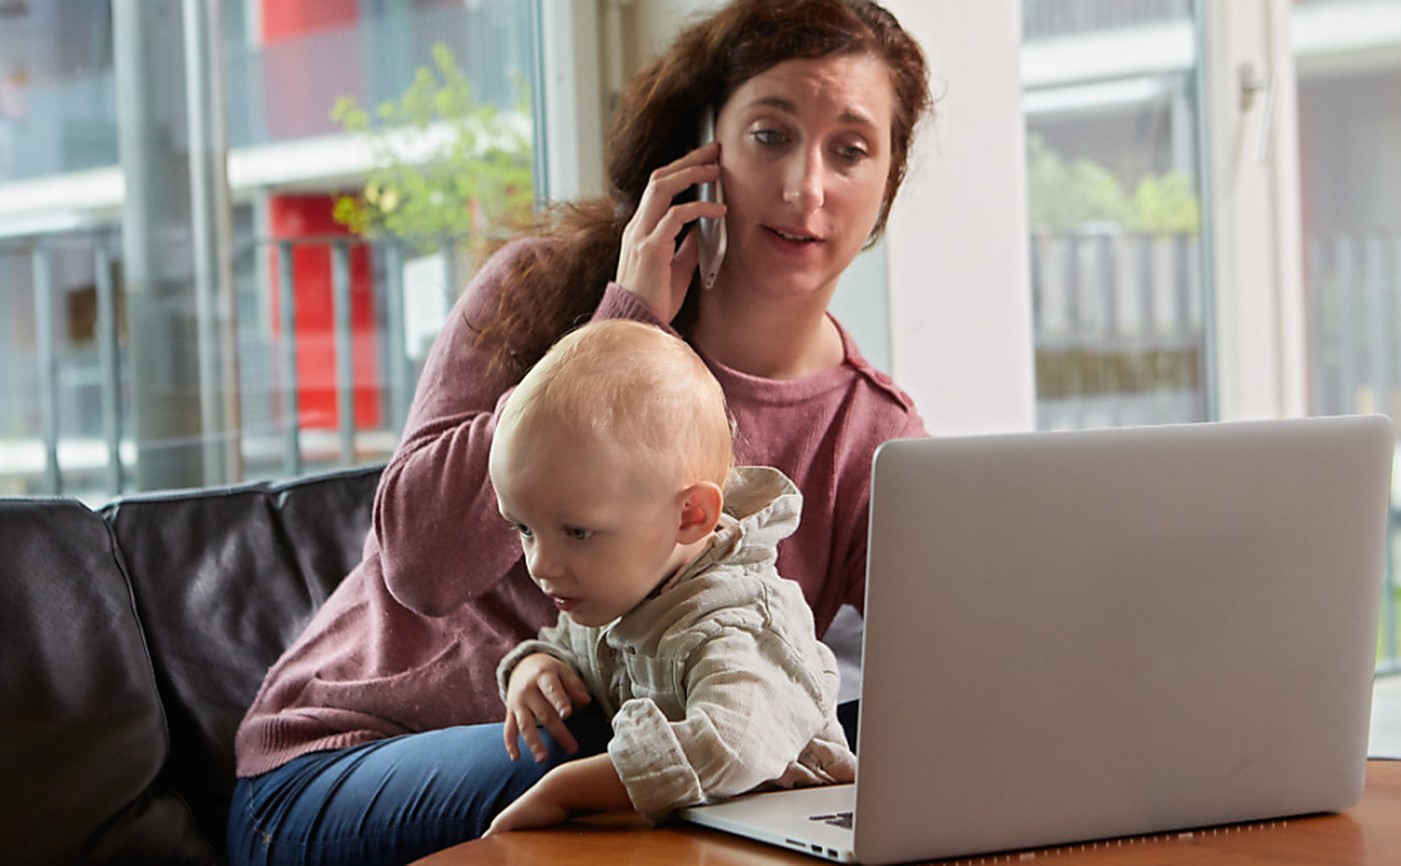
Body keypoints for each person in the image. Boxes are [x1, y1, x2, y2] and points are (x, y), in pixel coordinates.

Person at [229, 1, 931, 863]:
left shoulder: (873, 430)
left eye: (850, 151)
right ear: (701, 153)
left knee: (794, 744)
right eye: (770, 136)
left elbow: (931, 678)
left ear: (887, 185)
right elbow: (420, 565)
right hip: (335, 769)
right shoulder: (536, 291)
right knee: (629, 765)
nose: (805, 189)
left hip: (622, 765)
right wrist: (622, 323)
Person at [481, 319, 854, 832]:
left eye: (577, 532)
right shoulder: (620, 585)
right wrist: (538, 666)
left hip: (788, 842)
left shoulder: (739, 620)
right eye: (524, 529)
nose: (540, 565)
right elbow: (571, 645)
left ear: (689, 516)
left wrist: (564, 791)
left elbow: (729, 745)